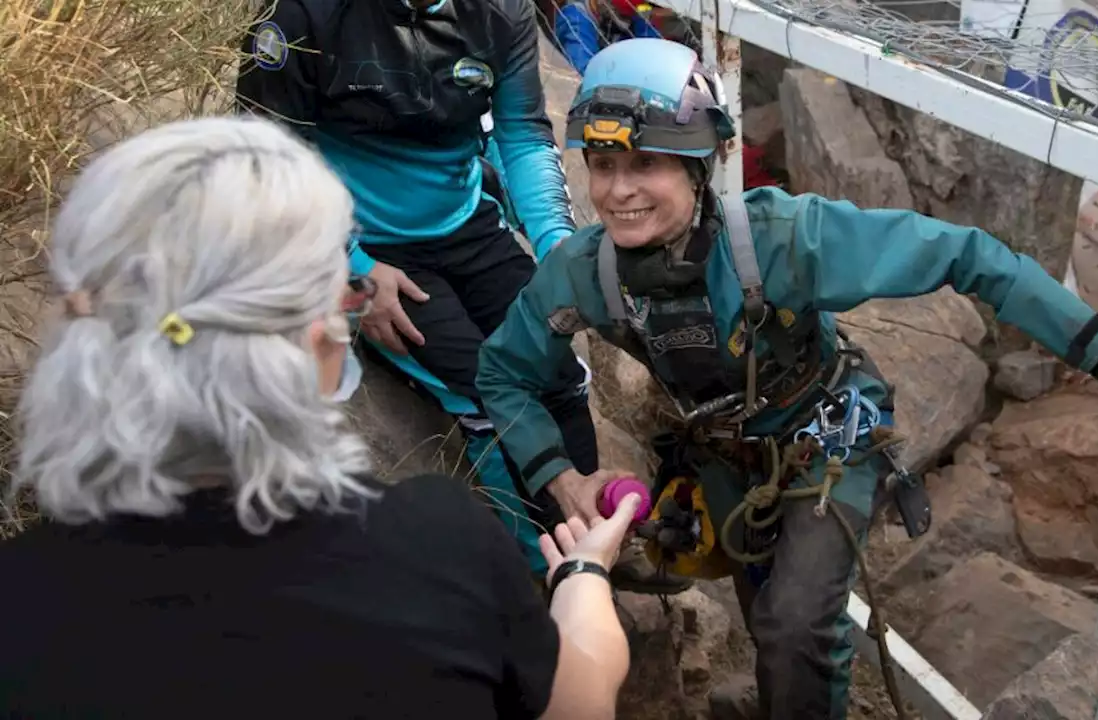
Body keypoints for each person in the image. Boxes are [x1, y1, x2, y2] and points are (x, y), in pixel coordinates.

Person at [475, 37, 1098, 717]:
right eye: (602, 165)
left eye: (646, 163)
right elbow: (502, 372)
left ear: (699, 168)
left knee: (796, 629)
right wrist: (559, 477)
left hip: (828, 437)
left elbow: (967, 253)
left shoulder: (783, 240)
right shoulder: (584, 274)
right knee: (770, 620)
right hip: (724, 458)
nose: (618, 191)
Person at [0, 116, 636, 719]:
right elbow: (577, 703)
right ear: (315, 345)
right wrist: (581, 578)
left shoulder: (22, 599)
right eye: (342, 295)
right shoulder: (436, 546)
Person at [231, 0, 693, 592]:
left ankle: (595, 537)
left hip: (468, 224)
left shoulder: (502, 10)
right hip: (363, 241)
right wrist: (349, 269)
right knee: (483, 392)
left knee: (559, 372)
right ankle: (544, 569)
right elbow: (262, 160)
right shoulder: (300, 16)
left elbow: (523, 134)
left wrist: (560, 250)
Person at [552, 0, 780, 191]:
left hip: (648, 98)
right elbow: (585, 71)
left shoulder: (632, 14)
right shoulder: (576, 17)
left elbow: (657, 51)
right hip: (611, 109)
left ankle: (750, 181)